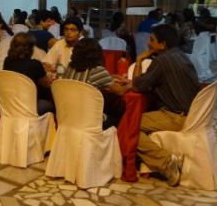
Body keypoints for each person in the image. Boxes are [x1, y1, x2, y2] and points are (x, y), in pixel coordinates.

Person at [132, 24, 200, 186]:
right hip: (192, 113)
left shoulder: (162, 61)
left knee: (131, 125)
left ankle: (167, 163)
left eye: (152, 40)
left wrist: (139, 60)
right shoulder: (181, 55)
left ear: (162, 44)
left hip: (176, 116)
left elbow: (138, 86)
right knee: (136, 120)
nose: (148, 43)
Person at [63, 38, 131, 129]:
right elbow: (120, 91)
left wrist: (110, 77)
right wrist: (131, 84)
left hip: (68, 115)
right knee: (119, 113)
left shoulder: (69, 68)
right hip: (88, 119)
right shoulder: (97, 71)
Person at [3, 33, 54, 115]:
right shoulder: (35, 64)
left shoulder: (7, 61)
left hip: (12, 102)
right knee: (54, 105)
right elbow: (46, 84)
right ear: (30, 49)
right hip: (30, 106)